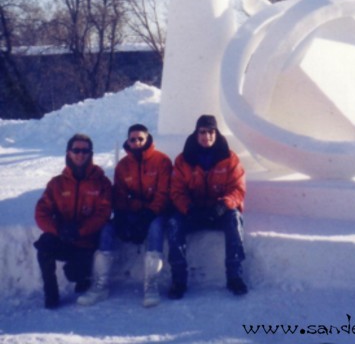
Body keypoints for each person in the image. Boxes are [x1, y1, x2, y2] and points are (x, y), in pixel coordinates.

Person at [78, 123, 172, 307]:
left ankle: (151, 284)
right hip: (132, 213)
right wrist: (122, 215)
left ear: (148, 139)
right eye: (133, 139)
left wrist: (149, 212)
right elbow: (120, 194)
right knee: (107, 229)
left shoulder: (161, 161)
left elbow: (163, 194)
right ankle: (100, 284)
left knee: (156, 227)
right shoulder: (123, 165)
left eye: (140, 139)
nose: (136, 142)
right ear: (128, 141)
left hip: (155, 213)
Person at [167, 114, 247, 299]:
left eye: (211, 132)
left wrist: (223, 205)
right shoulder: (183, 160)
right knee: (173, 223)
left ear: (216, 133)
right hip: (192, 212)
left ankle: (235, 276)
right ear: (196, 134)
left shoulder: (230, 158)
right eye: (202, 132)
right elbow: (176, 191)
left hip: (218, 211)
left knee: (235, 219)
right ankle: (179, 280)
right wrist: (188, 208)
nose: (207, 136)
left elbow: (238, 188)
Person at [34, 133, 112, 309]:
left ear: (90, 154)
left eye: (85, 150)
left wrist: (80, 230)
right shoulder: (57, 183)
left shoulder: (101, 183)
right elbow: (41, 212)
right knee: (44, 245)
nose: (80, 154)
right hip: (62, 236)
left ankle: (83, 277)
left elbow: (103, 214)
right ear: (68, 153)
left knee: (74, 273)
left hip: (85, 241)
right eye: (76, 150)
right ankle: (51, 292)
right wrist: (58, 230)